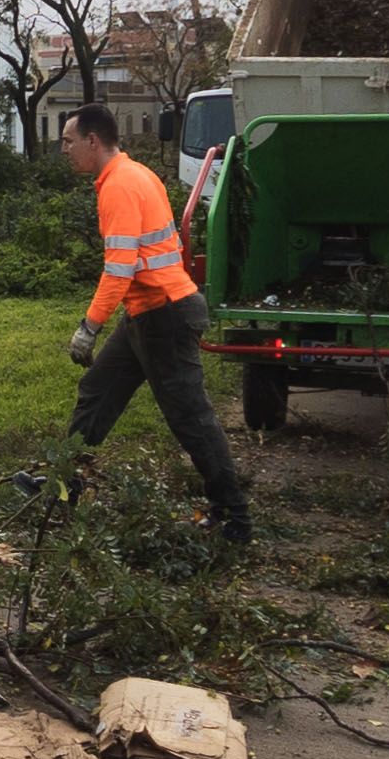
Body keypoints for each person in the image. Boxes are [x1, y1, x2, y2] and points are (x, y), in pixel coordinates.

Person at [59, 103, 250, 544]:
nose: (65, 150)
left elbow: (119, 269)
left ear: (93, 141)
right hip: (148, 312)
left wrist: (89, 327)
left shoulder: (120, 187)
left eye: (69, 142)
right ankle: (61, 484)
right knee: (98, 389)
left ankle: (234, 516)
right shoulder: (136, 174)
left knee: (190, 417)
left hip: (164, 314)